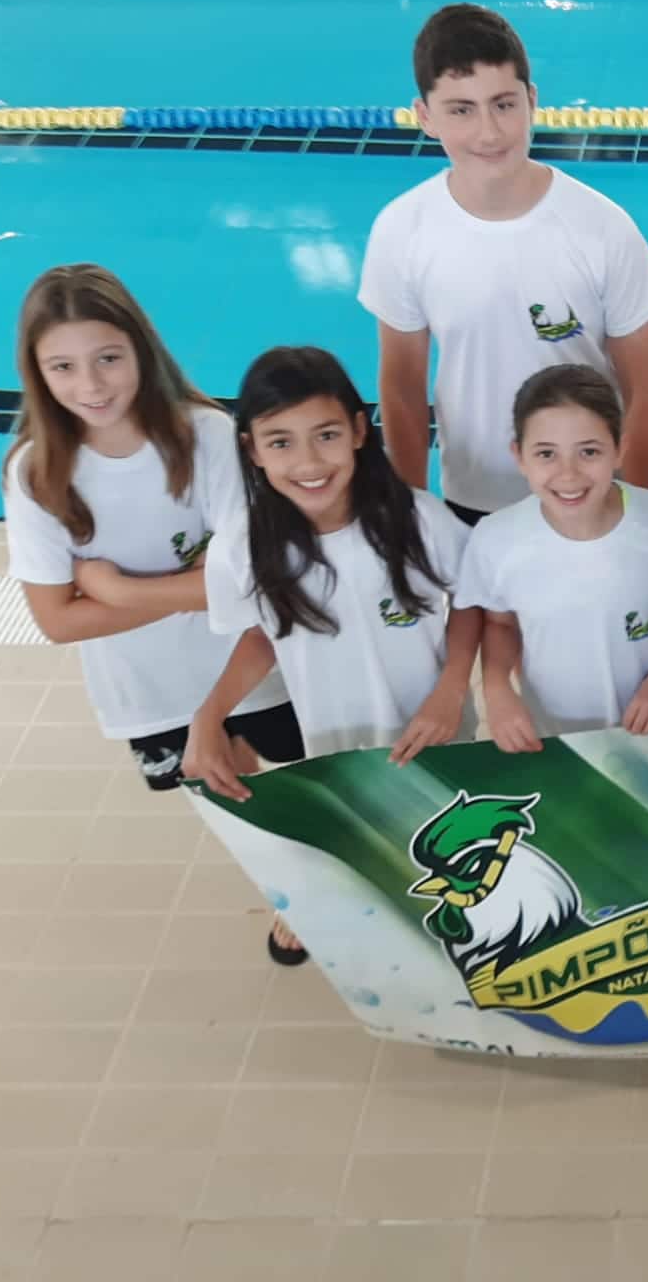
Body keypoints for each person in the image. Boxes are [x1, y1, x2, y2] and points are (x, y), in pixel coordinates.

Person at [3, 265, 305, 958]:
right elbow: (56, 622)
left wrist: (121, 593)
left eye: (108, 358)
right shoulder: (35, 474)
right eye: (63, 367)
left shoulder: (206, 435)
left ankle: (336, 873)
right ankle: (291, 889)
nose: (92, 385)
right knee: (232, 793)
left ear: (141, 349)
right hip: (150, 687)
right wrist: (196, 586)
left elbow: (255, 580)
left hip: (254, 661)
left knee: (307, 772)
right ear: (37, 373)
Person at [179, 347, 482, 962]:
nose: (309, 462)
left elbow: (473, 604)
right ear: (252, 449)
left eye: (326, 435)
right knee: (347, 829)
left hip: (436, 726)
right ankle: (318, 892)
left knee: (442, 835)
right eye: (281, 442)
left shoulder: (418, 521)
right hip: (333, 736)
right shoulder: (243, 545)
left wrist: (452, 689)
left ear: (359, 431)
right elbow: (262, 634)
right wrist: (208, 716)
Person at [362, 3, 648, 523]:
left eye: (503, 104)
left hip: (591, 497)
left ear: (531, 100)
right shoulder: (402, 229)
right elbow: (401, 387)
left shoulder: (602, 227)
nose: (489, 133)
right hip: (471, 500)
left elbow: (644, 390)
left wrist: (634, 518)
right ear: (425, 117)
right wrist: (411, 515)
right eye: (461, 110)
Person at [454, 365, 648, 753]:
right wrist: (498, 688)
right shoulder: (494, 538)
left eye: (588, 452)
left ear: (620, 448)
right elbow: (499, 623)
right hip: (555, 741)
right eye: (546, 454)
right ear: (519, 456)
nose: (568, 475)